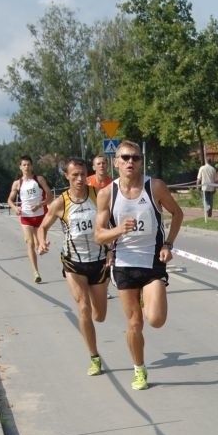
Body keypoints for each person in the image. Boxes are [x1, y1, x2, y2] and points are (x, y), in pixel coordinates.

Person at [95, 140, 183, 391]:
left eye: (135, 157)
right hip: (123, 263)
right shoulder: (106, 194)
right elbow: (98, 235)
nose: (130, 162)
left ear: (141, 161)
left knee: (155, 320)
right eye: (125, 157)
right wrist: (119, 230)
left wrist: (168, 244)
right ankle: (139, 369)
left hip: (152, 260)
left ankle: (148, 297)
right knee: (134, 323)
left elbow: (178, 214)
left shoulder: (154, 187)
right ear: (116, 162)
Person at [37, 157, 110, 376]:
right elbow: (43, 226)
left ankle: (95, 329)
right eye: (74, 175)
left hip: (98, 261)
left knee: (100, 315)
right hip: (73, 262)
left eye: (82, 174)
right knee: (83, 308)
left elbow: (113, 221)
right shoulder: (61, 202)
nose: (79, 179)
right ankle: (94, 357)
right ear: (67, 176)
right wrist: (41, 241)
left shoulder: (98, 195)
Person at [7, 155, 52, 283]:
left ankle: (41, 246)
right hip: (26, 217)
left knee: (41, 246)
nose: (26, 167)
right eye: (24, 165)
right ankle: (35, 272)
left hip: (40, 216)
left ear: (32, 166)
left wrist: (39, 204)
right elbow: (9, 200)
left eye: (28, 164)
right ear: (20, 167)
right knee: (29, 243)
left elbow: (49, 196)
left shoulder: (39, 179)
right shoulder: (17, 183)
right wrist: (15, 208)